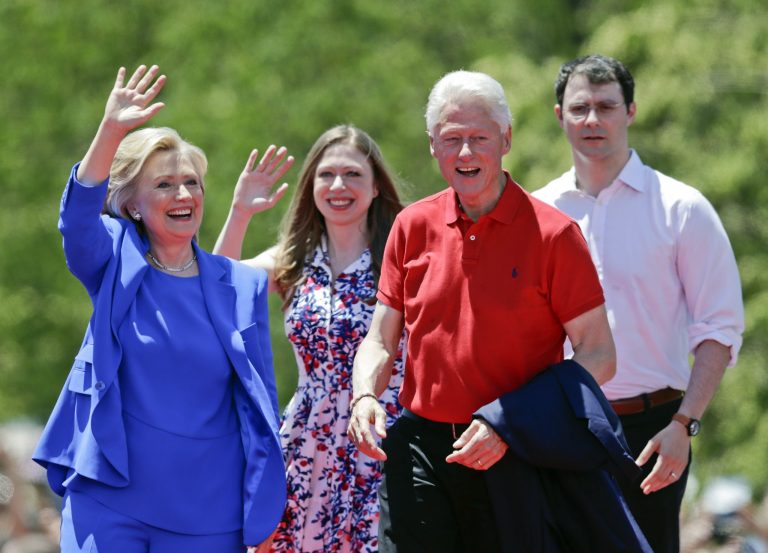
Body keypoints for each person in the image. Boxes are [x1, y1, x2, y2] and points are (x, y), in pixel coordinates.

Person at [346, 70, 654, 553]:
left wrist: (511, 422)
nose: (465, 154)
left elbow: (600, 354)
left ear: (506, 139)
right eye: (451, 140)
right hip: (420, 449)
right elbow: (381, 340)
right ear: (432, 146)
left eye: (478, 138)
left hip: (512, 452)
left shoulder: (554, 235)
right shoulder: (411, 225)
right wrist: (364, 395)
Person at [32, 65, 286, 553]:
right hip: (111, 497)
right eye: (165, 185)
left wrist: (264, 505)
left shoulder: (242, 285)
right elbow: (76, 219)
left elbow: (258, 405)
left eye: (192, 183)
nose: (184, 195)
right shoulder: (114, 260)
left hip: (209, 511)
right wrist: (111, 131)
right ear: (132, 205)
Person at [533, 54, 745, 553]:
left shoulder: (681, 208)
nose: (592, 120)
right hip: (563, 424)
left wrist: (684, 425)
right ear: (558, 114)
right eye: (579, 107)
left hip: (656, 429)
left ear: (630, 111)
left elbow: (720, 329)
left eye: (606, 106)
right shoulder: (538, 212)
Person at [214, 124, 405, 552]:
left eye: (353, 174)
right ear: (312, 187)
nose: (339, 185)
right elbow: (214, 285)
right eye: (327, 174)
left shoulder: (402, 255)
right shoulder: (292, 262)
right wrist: (241, 211)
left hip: (379, 437)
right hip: (305, 441)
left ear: (376, 187)